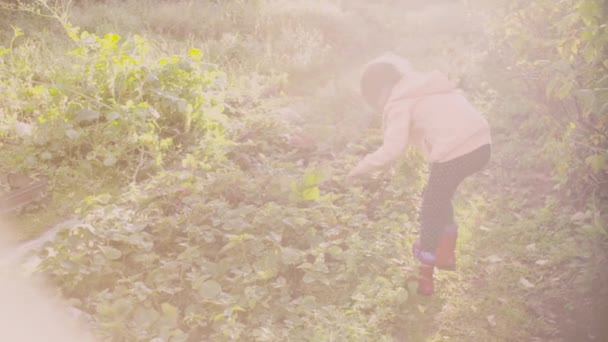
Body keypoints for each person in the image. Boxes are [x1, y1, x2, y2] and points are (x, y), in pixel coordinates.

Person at [347, 52, 492, 295]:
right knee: (439, 197)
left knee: (430, 210)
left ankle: (424, 275)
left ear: (378, 92)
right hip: (482, 145)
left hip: (456, 150)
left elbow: (392, 149)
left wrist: (359, 169)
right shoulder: (425, 87)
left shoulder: (398, 101)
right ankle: (445, 254)